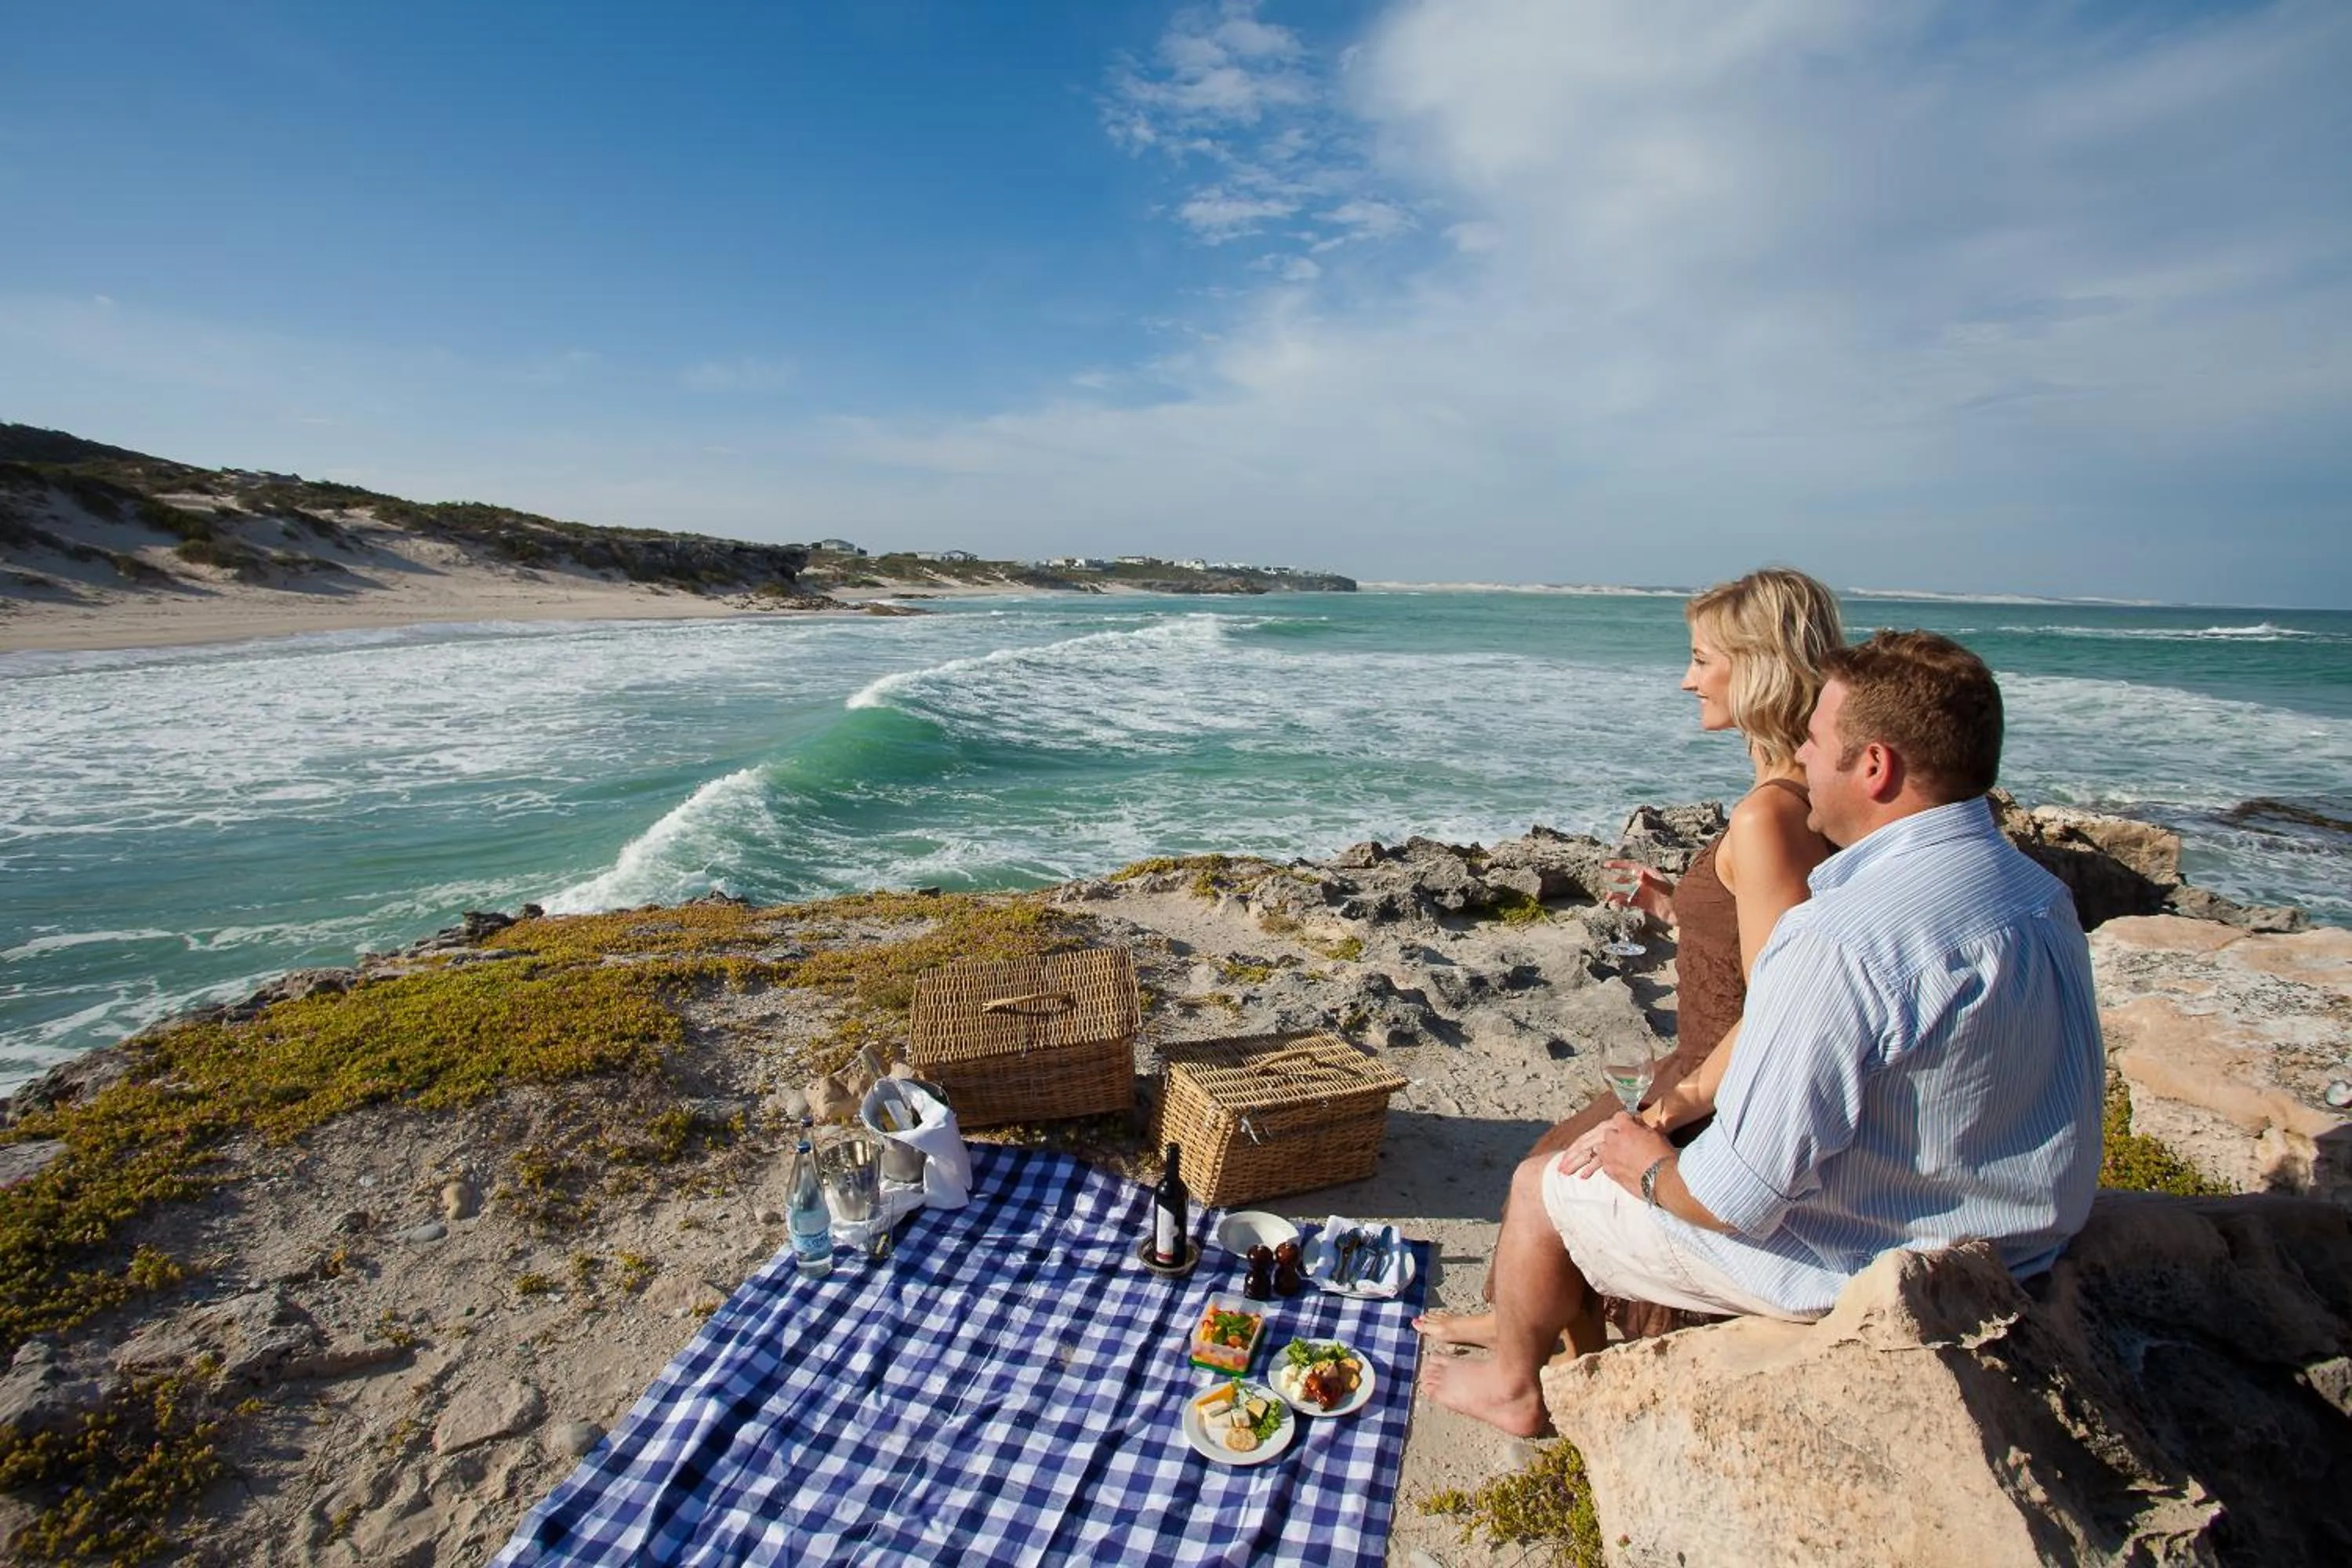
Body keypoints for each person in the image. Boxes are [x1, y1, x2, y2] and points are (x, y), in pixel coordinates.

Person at [1421, 630, 2105, 1437]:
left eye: (1814, 740)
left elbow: (1731, 1198)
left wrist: (1648, 1164)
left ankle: (1515, 1388)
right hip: (2020, 1242)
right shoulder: (2035, 892)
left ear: (1875, 766)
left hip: (1867, 1265)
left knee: (1545, 1181)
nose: (1802, 758)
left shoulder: (1843, 936)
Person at [1465, 567, 1844, 1320]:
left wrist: (1670, 1112)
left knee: (1554, 1174)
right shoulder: (1801, 797)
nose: (1686, 680)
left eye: (1702, 660)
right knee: (1553, 1159)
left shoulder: (1769, 816)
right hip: (1700, 1064)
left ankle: (1535, 1363)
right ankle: (1521, 1333)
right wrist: (1674, 905)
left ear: (1759, 667)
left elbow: (1780, 1002)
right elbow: (1768, 943)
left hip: (1715, 1084)